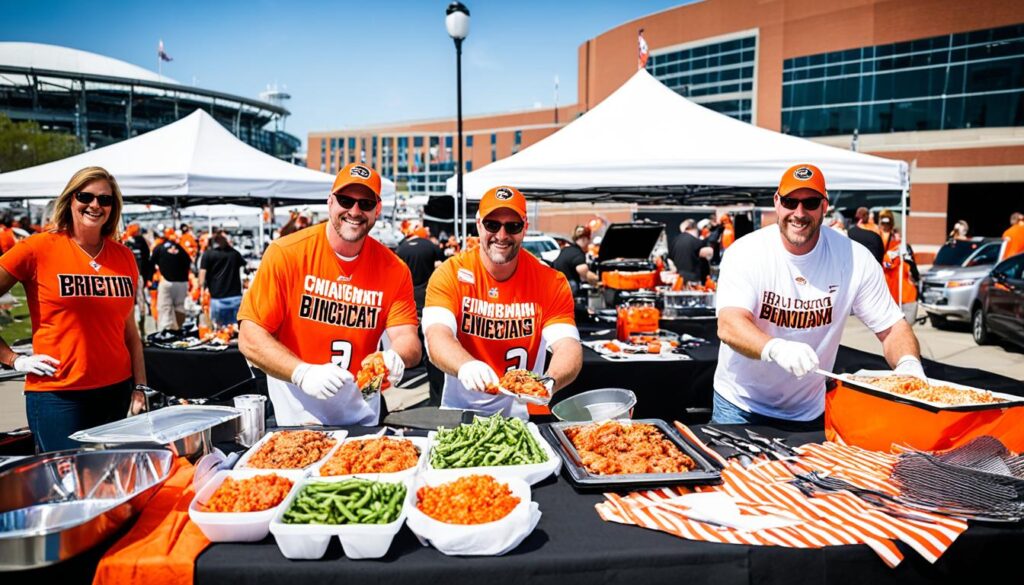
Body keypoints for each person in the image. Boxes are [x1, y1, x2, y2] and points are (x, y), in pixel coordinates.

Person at [714, 163, 925, 431]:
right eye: (791, 202)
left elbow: (893, 327)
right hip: (741, 404)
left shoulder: (853, 258)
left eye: (810, 202)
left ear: (824, 206)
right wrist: (776, 348)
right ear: (777, 203)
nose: (799, 213)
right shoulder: (747, 252)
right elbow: (730, 324)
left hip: (809, 410)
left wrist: (908, 363)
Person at [238, 163, 421, 426]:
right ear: (330, 202)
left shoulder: (394, 269)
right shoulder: (286, 253)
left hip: (363, 417)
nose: (355, 211)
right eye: (346, 200)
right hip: (297, 420)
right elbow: (249, 337)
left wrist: (396, 356)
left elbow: (408, 339)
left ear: (377, 210)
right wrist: (302, 372)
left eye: (365, 203)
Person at [0, 166, 146, 452]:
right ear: (70, 199)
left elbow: (130, 333)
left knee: (112, 483)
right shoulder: (37, 248)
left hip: (116, 392)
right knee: (64, 485)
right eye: (86, 196)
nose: (95, 205)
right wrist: (13, 359)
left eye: (105, 200)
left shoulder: (124, 256)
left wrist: (140, 386)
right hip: (58, 395)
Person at [423, 186, 583, 419]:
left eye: (513, 226)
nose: (502, 235)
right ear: (479, 224)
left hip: (523, 414)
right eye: (492, 225)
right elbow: (436, 335)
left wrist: (549, 381)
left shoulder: (549, 280)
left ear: (525, 228)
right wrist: (466, 365)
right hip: (461, 412)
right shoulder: (451, 272)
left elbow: (568, 345)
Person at [878, 209, 919, 324]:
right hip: (887, 291)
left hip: (903, 293)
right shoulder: (878, 238)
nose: (885, 226)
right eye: (883, 223)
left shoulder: (900, 244)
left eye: (888, 223)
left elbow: (912, 270)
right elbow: (885, 263)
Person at [198, 231, 246, 328]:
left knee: (220, 332)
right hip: (235, 297)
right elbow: (245, 268)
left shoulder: (207, 255)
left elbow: (201, 279)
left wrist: (201, 293)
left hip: (217, 298)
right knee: (236, 330)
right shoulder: (235, 253)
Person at [395, 226, 445, 312]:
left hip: (406, 295)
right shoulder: (431, 245)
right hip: (426, 293)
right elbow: (444, 263)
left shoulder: (401, 248)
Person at [150, 229, 192, 331]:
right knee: (180, 307)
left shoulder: (159, 248)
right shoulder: (181, 248)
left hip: (167, 282)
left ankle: (167, 332)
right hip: (182, 283)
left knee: (165, 307)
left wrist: (150, 278)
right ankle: (179, 329)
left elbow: (151, 263)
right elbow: (188, 262)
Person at [122, 223, 153, 335]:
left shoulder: (141, 243)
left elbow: (147, 259)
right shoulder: (124, 242)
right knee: (129, 307)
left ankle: (142, 331)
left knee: (141, 306)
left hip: (138, 278)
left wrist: (147, 277)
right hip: (126, 279)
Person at [552, 225, 599, 295]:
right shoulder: (578, 254)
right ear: (584, 239)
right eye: (589, 239)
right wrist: (600, 281)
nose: (589, 243)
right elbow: (584, 272)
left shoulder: (566, 249)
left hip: (556, 287)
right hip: (567, 290)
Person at [668, 219, 713, 284]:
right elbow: (709, 252)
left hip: (678, 279)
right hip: (694, 280)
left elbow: (670, 260)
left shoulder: (674, 241)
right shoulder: (696, 242)